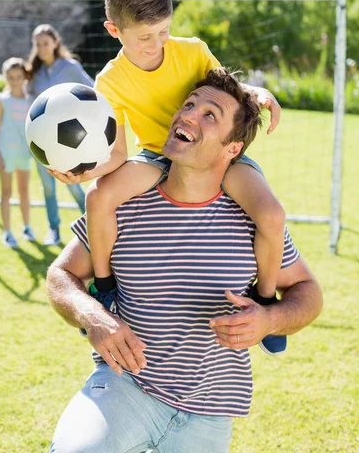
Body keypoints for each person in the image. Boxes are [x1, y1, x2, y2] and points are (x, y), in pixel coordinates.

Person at [47, 68, 323, 453]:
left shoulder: (253, 219)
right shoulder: (121, 204)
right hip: (126, 386)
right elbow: (60, 275)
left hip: (210, 412)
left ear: (232, 150)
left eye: (210, 115)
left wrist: (270, 319)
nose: (189, 115)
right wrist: (94, 317)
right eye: (189, 105)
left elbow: (308, 292)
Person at [52, 0, 286, 354]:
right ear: (114, 31)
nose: (157, 43)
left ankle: (263, 298)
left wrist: (253, 91)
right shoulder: (110, 81)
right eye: (144, 37)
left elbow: (224, 88)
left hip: (215, 154)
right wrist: (85, 173)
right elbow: (119, 153)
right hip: (157, 155)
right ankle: (106, 287)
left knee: (273, 216)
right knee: (97, 197)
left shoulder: (191, 50)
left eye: (163, 30)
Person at [27, 24, 94, 246]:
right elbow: (28, 100)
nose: (42, 48)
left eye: (45, 43)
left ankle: (93, 222)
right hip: (42, 141)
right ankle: (53, 229)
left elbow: (92, 90)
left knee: (73, 184)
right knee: (47, 186)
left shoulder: (70, 67)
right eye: (37, 44)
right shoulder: (34, 72)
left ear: (55, 43)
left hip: (68, 141)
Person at [0, 57, 35, 248]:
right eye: (11, 77)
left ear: (24, 77)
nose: (15, 80)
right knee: (6, 192)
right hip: (6, 152)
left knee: (24, 191)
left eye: (18, 76)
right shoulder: (2, 101)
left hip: (23, 152)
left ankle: (27, 227)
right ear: (6, 78)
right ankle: (7, 232)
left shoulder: (30, 101)